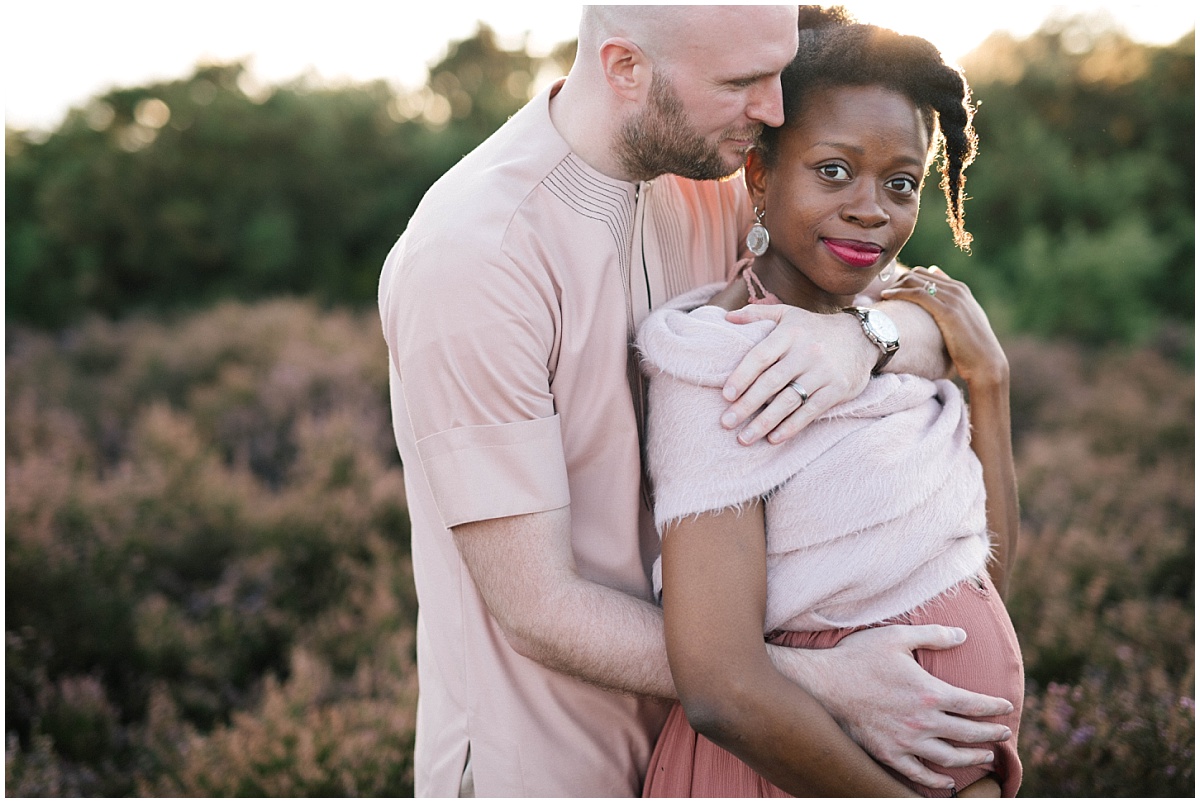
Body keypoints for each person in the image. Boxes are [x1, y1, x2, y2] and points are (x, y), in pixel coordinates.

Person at [378, 5, 1014, 797]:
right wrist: (814, 679)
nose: (775, 109)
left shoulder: (710, 169)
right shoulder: (477, 255)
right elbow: (537, 603)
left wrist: (863, 342)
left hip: (723, 749)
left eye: (778, 73)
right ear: (625, 67)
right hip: (553, 762)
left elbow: (922, 312)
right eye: (743, 83)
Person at [638, 11, 1023, 798]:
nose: (872, 210)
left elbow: (980, 572)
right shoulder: (723, 365)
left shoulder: (903, 330)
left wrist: (989, 381)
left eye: (902, 182)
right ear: (759, 177)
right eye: (834, 171)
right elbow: (721, 688)